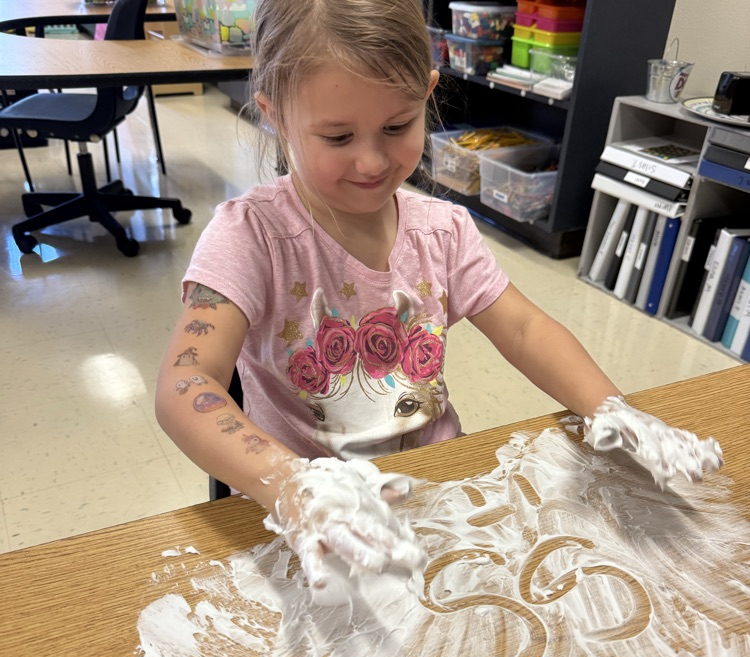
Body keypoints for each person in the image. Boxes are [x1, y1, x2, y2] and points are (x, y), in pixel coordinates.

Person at [155, 0, 722, 591]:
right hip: (319, 517)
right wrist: (288, 484)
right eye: (338, 136)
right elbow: (185, 385)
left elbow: (525, 330)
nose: (372, 160)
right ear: (274, 116)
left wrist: (613, 409)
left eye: (397, 127)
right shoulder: (251, 237)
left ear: (426, 94)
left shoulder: (443, 231)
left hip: (435, 484)